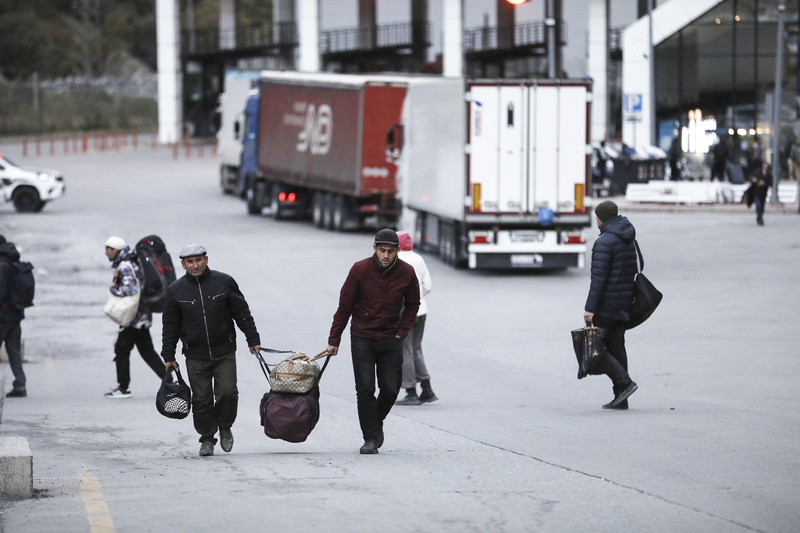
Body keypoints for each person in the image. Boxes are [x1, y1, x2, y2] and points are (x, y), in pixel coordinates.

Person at [161, 243, 261, 457]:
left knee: (227, 392)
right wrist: (168, 356)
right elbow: (170, 326)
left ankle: (225, 427)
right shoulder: (175, 291)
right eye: (190, 261)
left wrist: (252, 338)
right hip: (195, 355)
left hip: (224, 351)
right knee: (201, 399)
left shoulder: (224, 282)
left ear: (206, 259)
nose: (195, 265)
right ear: (183, 264)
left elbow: (242, 312)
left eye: (198, 260)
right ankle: (207, 438)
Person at [326, 229, 420, 454]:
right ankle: (370, 438)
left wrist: (401, 331)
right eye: (381, 251)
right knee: (365, 389)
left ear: (397, 250)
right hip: (362, 338)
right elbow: (345, 307)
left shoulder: (407, 272)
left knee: (390, 389)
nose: (386, 256)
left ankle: (375, 422)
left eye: (390, 251)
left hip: (391, 338)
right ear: (374, 249)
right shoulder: (359, 270)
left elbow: (413, 304)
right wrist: (334, 339)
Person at [583, 201, 638, 410]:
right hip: (624, 302)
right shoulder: (627, 237)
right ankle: (621, 397)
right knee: (616, 345)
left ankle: (625, 384)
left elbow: (598, 280)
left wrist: (590, 309)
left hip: (606, 305)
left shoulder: (604, 242)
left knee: (596, 346)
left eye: (596, 216)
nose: (595, 220)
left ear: (602, 218)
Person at [104, 236, 168, 398]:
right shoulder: (132, 260)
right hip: (142, 316)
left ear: (115, 250)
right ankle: (169, 381)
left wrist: (114, 289)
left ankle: (123, 388)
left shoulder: (125, 265)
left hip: (133, 318)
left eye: (108, 249)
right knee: (147, 351)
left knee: (122, 349)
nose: (106, 253)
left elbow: (131, 290)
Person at [394, 231, 436, 406]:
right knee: (416, 348)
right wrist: (417, 297)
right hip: (421, 310)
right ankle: (427, 389)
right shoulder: (418, 258)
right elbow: (428, 285)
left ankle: (411, 392)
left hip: (405, 313)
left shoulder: (397, 262)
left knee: (406, 351)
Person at [0, 235, 28, 398]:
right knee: (14, 351)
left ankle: (20, 385)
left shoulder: (1, 265)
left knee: (13, 350)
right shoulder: (13, 261)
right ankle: (20, 384)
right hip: (16, 315)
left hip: (2, 317)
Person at [751, 161, 773, 226]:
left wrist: (764, 183)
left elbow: (771, 183)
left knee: (762, 206)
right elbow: (751, 177)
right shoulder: (758, 172)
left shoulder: (769, 174)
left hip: (763, 192)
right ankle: (760, 218)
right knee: (758, 204)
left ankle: (759, 216)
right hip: (756, 191)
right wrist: (753, 179)